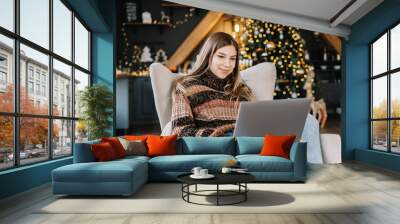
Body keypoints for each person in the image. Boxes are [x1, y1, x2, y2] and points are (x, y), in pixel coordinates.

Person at [171, 32, 254, 137]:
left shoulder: (242, 89)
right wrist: (212, 135)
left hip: (246, 145)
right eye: (221, 56)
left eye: (232, 58)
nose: (227, 64)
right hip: (216, 146)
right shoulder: (187, 87)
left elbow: (254, 125)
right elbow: (179, 130)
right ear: (208, 56)